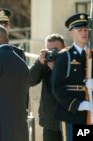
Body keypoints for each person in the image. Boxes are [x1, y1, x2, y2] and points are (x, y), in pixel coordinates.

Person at [51, 13, 90, 141]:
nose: (84, 33)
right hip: (71, 113)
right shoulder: (65, 56)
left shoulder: (91, 55)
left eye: (85, 29)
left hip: (89, 114)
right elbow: (57, 87)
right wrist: (78, 105)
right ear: (71, 34)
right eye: (79, 30)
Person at [30, 33, 65, 141]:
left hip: (68, 117)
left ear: (63, 48)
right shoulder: (44, 62)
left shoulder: (69, 61)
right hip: (50, 120)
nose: (52, 53)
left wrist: (56, 68)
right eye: (48, 50)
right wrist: (39, 63)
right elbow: (31, 81)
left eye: (55, 50)